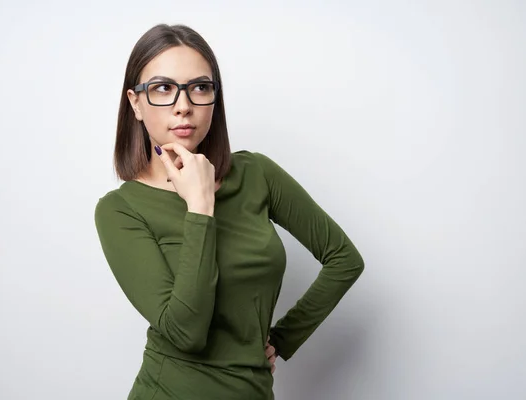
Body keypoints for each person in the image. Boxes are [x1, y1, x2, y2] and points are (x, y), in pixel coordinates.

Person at [94, 23, 365, 400]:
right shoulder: (121, 210)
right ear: (135, 103)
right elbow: (186, 334)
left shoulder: (257, 174)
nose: (184, 105)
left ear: (214, 99)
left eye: (199, 87)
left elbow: (344, 260)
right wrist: (200, 206)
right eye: (162, 88)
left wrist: (282, 339)